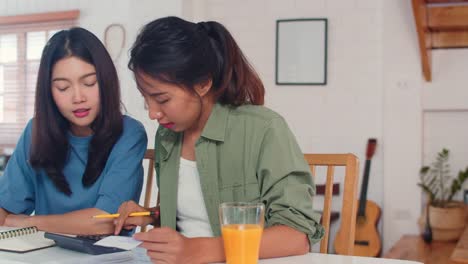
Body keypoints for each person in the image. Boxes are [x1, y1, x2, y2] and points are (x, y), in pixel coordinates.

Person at [114, 16, 324, 263]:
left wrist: (199, 250)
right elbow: (196, 215)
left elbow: (296, 237)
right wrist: (151, 215)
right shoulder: (167, 135)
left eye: (162, 99)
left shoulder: (263, 128)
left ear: (203, 83)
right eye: (145, 99)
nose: (152, 113)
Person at [0, 27, 148, 235]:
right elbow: (6, 208)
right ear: (49, 91)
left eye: (89, 83)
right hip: (42, 254)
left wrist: (28, 222)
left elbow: (106, 221)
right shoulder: (36, 130)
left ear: (105, 82)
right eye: (63, 87)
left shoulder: (129, 134)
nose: (78, 97)